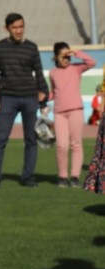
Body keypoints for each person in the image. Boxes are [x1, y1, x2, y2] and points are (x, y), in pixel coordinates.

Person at [0, 13, 49, 189]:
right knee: (1, 138)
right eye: (14, 27)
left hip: (30, 98)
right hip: (8, 98)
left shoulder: (32, 47)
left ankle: (27, 177)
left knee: (31, 140)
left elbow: (39, 73)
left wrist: (44, 98)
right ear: (6, 28)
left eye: (21, 27)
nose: (18, 30)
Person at [48, 43, 96, 188]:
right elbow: (54, 93)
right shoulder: (52, 73)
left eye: (68, 56)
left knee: (76, 144)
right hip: (59, 113)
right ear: (56, 57)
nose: (67, 59)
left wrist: (76, 53)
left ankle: (75, 176)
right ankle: (62, 177)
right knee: (61, 146)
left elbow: (91, 62)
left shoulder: (76, 68)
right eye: (63, 56)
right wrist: (43, 98)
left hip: (76, 110)